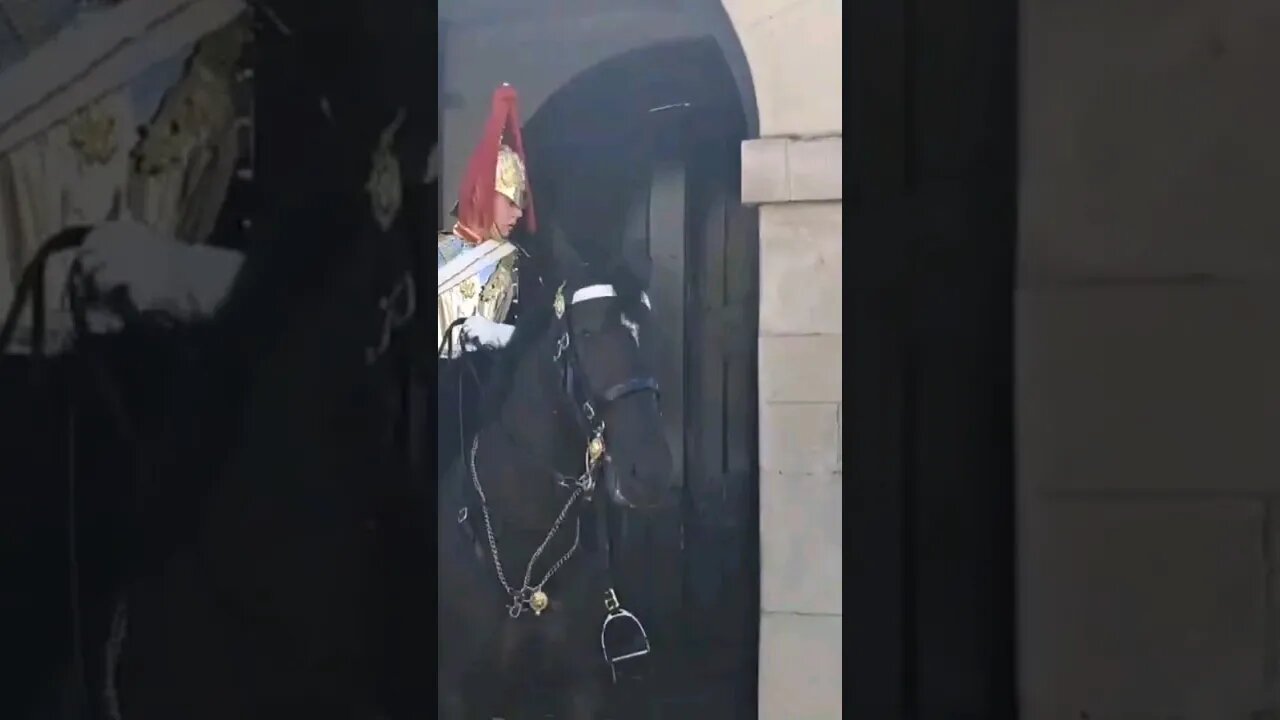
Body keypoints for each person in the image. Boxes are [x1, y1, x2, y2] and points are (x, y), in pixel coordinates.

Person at [436, 84, 536, 358]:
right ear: (483, 196)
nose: (518, 214)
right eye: (510, 202)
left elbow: (549, 338)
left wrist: (504, 335)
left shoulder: (522, 265)